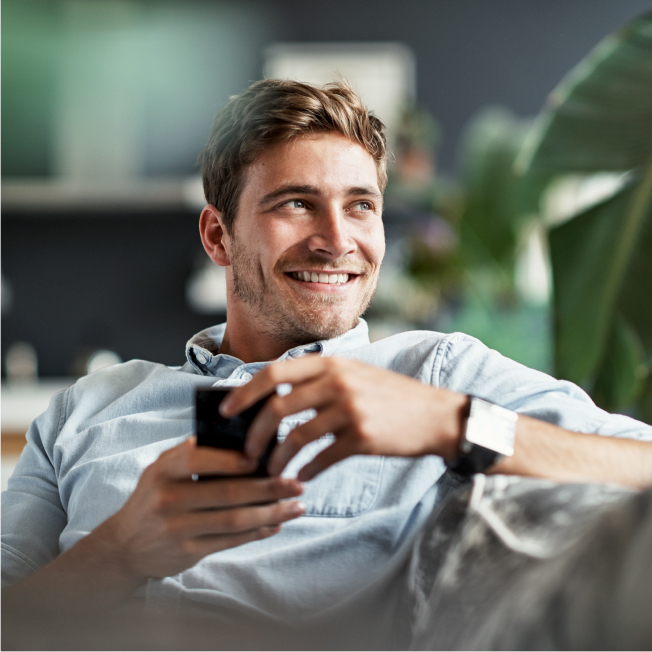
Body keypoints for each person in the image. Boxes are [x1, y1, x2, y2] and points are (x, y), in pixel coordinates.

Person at [2, 79, 652, 649]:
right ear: (217, 236)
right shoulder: (85, 409)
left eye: (361, 205)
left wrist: (455, 421)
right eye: (295, 202)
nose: (339, 239)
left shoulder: (434, 373)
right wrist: (118, 553)